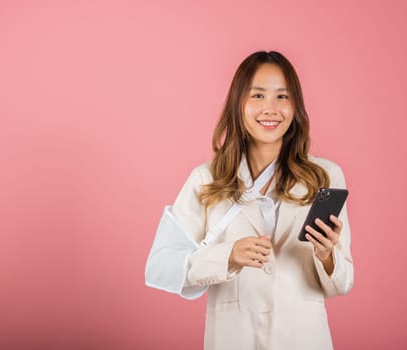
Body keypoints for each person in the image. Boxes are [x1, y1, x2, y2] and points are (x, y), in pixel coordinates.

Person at [146, 51, 354, 350]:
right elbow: (161, 267)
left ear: (296, 107)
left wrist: (327, 256)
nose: (270, 109)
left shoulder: (324, 177)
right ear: (238, 104)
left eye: (283, 97)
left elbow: (343, 283)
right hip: (234, 340)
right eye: (257, 95)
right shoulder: (206, 180)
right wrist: (227, 256)